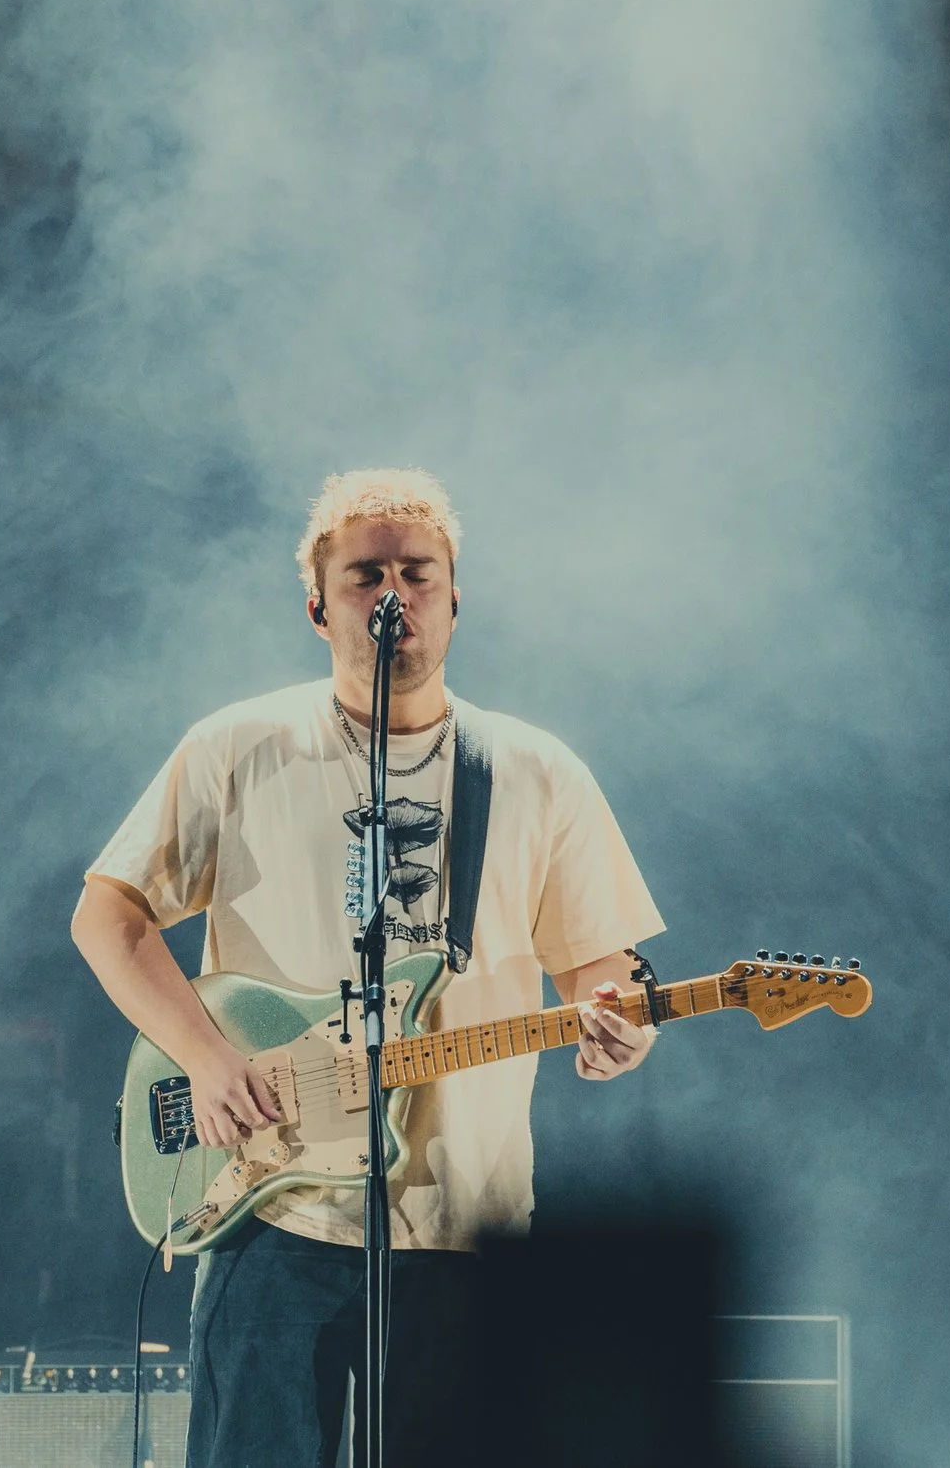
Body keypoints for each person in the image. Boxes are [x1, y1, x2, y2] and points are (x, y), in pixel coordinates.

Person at [70, 468, 666, 1468]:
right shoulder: (237, 746)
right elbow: (105, 916)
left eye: (417, 573)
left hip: (464, 1225)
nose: (395, 593)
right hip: (271, 1210)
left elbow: (598, 971)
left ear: (455, 598)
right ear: (318, 605)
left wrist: (622, 1029)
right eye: (366, 574)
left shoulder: (537, 771)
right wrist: (207, 1059)